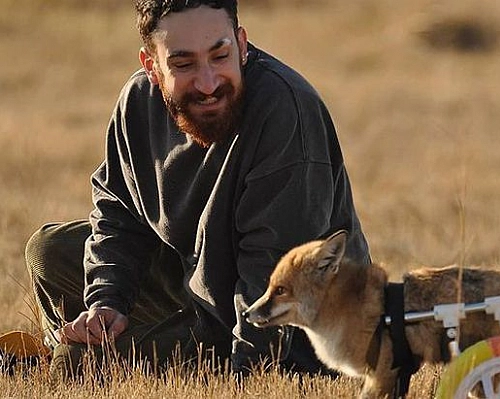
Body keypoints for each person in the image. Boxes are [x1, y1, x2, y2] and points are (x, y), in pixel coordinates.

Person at [24, 0, 369, 380]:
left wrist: (246, 378)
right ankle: (90, 340)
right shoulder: (137, 104)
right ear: (151, 66)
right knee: (48, 251)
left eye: (219, 56)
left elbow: (275, 278)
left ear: (242, 44)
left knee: (74, 366)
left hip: (296, 331)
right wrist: (107, 302)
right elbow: (118, 213)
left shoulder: (285, 111)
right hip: (203, 283)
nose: (208, 84)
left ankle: (73, 354)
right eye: (183, 64)